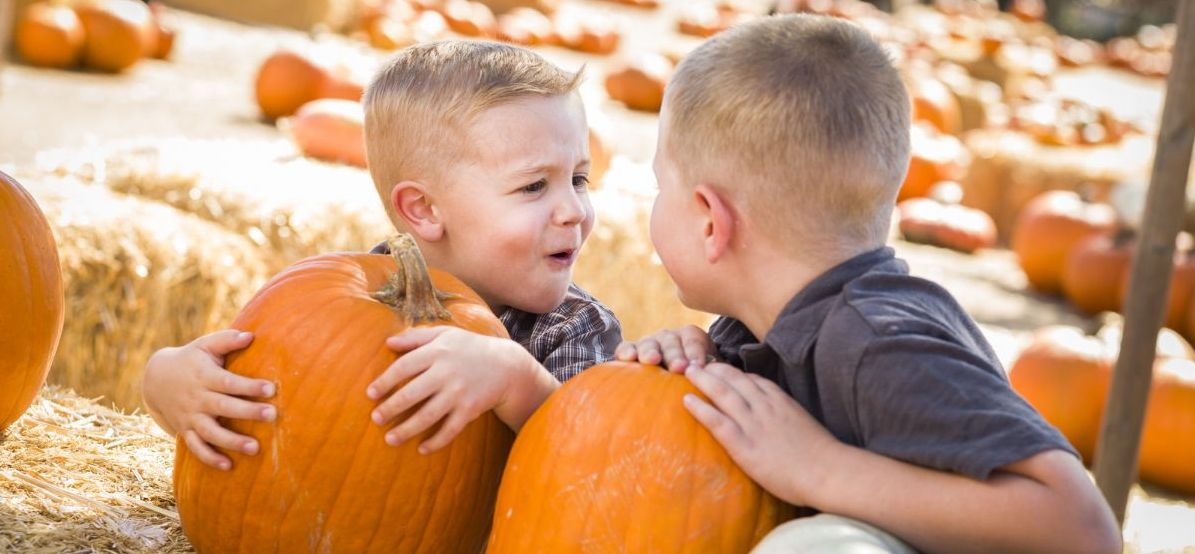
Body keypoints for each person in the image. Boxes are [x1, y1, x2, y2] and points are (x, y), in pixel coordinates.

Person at [618, 14, 1120, 553]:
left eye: (658, 185)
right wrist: (692, 371)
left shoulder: (879, 341)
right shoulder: (763, 326)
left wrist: (820, 469)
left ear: (709, 222)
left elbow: (1083, 529)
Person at [142, 41, 621, 470]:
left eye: (579, 179)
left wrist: (516, 382)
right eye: (534, 185)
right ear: (424, 209)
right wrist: (167, 381)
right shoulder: (342, 297)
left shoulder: (573, 328)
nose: (574, 210)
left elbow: (595, 465)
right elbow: (252, 396)